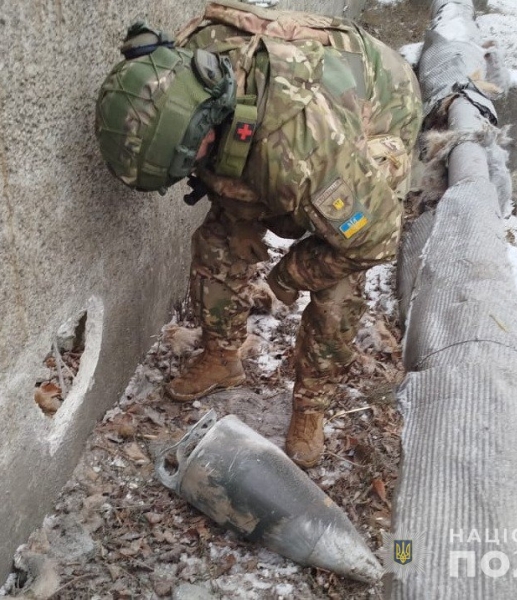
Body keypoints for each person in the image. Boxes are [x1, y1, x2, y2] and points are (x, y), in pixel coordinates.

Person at [95, 0, 423, 468]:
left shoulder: (304, 156)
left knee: (336, 288)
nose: (189, 170)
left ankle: (310, 408)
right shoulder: (188, 67)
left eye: (188, 159)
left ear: (205, 125)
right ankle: (222, 357)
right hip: (286, 118)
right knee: (217, 243)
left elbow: (376, 239)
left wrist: (292, 273)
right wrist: (238, 205)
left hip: (376, 107)